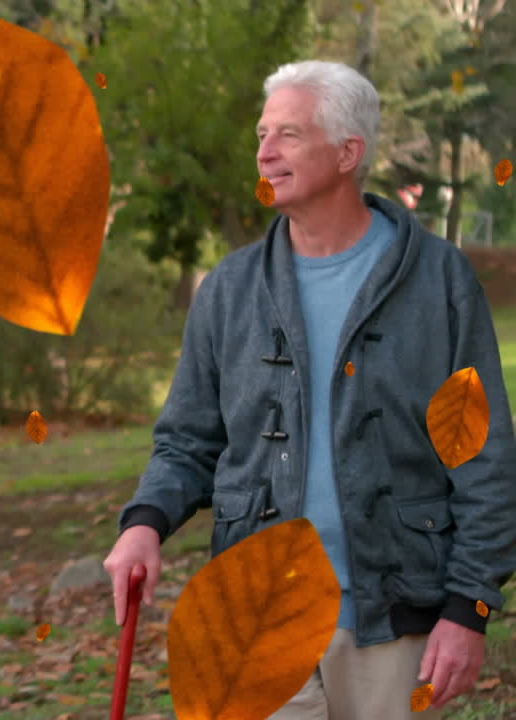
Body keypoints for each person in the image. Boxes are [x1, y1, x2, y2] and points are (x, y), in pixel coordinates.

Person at [102, 59, 516, 720]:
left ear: (349, 152)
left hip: (391, 618)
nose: (264, 152)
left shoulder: (440, 281)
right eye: (263, 134)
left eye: (288, 134)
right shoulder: (230, 289)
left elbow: (484, 459)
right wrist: (145, 524)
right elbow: (186, 439)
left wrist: (469, 607)